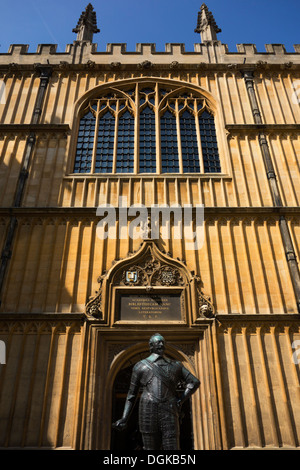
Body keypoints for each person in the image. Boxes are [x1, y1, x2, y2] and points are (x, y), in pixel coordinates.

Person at [113, 333, 200, 450]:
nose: (161, 344)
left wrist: (181, 400)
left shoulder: (176, 365)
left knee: (172, 446)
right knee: (150, 447)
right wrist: (124, 418)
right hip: (148, 409)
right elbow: (131, 394)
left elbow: (194, 382)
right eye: (158, 342)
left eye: (163, 342)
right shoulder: (140, 366)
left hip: (169, 408)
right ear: (151, 346)